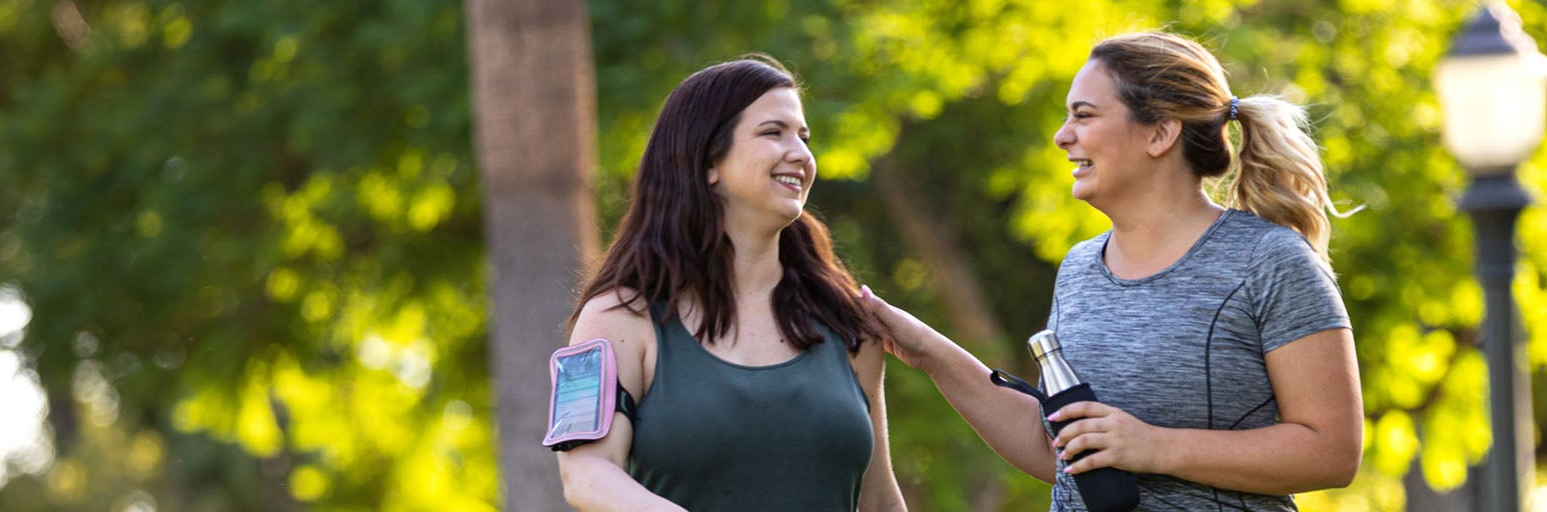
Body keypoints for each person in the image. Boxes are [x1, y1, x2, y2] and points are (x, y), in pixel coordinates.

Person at [861, 31, 1362, 511]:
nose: (1062, 136)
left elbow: (1332, 451)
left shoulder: (1268, 261)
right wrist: (925, 350)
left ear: (1161, 132)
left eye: (1084, 115)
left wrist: (1155, 447)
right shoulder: (1080, 267)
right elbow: (1059, 451)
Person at [553, 55, 906, 511]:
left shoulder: (847, 321)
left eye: (803, 136)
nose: (800, 153)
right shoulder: (614, 318)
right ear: (707, 163)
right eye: (772, 132)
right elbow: (584, 474)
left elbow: (879, 502)